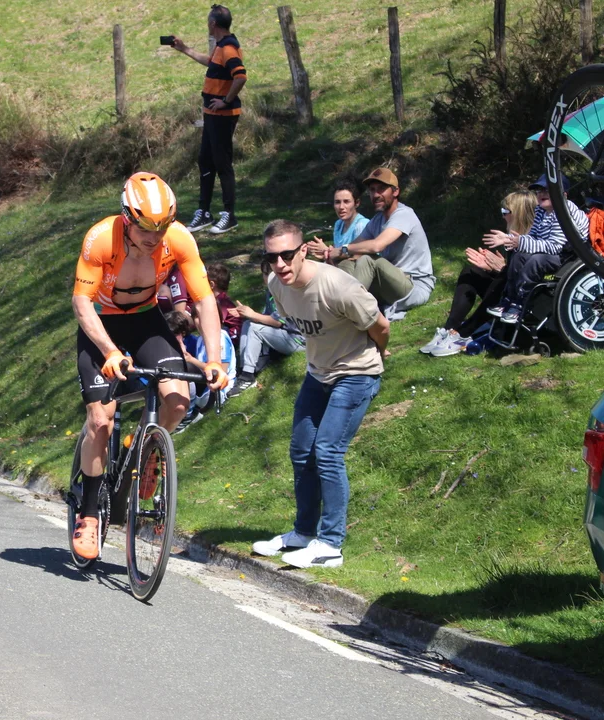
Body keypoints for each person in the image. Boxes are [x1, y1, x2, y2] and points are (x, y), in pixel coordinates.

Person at [72, 172, 229, 559]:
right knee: (101, 421)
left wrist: (214, 358)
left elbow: (204, 300)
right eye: (145, 228)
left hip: (145, 320)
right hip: (101, 321)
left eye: (162, 227)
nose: (154, 237)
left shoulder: (179, 238)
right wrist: (109, 351)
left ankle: (145, 450)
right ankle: (88, 514)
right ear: (127, 218)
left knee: (178, 400)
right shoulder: (101, 238)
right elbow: (81, 303)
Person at [252, 220, 388, 568]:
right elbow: (294, 324)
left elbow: (381, 326)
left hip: (356, 373)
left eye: (286, 255)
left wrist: (378, 354)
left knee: (327, 452)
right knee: (301, 451)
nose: (279, 264)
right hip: (318, 374)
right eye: (271, 257)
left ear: (302, 251)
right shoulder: (277, 285)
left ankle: (330, 545)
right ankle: (303, 533)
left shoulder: (338, 286)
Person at [419, 189, 536, 357]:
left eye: (506, 212)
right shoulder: (512, 238)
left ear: (519, 214)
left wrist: (502, 269)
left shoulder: (535, 239)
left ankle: (464, 333)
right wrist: (495, 268)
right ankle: (449, 329)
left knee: (502, 279)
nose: (503, 216)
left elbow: (527, 276)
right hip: (508, 292)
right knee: (471, 272)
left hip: (522, 301)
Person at [172, 4, 246, 236]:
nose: (207, 24)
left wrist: (225, 100)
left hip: (223, 115)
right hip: (212, 115)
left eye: (208, 21)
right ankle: (204, 212)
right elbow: (210, 62)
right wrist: (184, 49)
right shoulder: (220, 47)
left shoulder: (229, 48)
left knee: (222, 163)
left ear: (213, 24)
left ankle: (229, 215)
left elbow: (240, 76)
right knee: (205, 160)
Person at [327, 168, 434, 320]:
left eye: (381, 189)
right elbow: (355, 248)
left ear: (395, 191)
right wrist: (331, 255)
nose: (376, 195)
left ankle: (349, 313)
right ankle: (331, 308)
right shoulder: (377, 220)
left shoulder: (404, 214)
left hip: (415, 287)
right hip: (390, 284)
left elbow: (377, 246)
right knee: (346, 265)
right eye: (372, 190)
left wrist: (343, 249)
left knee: (368, 260)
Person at [485, 174, 589, 324]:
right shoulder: (541, 211)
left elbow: (555, 247)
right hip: (550, 251)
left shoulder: (564, 211)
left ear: (563, 195)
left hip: (568, 256)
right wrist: (509, 239)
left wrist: (520, 242)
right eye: (539, 190)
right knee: (519, 255)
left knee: (535, 260)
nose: (541, 194)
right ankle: (509, 298)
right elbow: (533, 237)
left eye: (547, 190)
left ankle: (522, 303)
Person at [229, 260, 304, 393]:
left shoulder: (284, 291)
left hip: (297, 341)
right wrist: (245, 314)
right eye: (265, 273)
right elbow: (263, 318)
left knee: (255, 328)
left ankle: (248, 377)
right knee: (248, 323)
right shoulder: (270, 291)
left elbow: (278, 322)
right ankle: (243, 370)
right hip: (283, 335)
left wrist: (252, 314)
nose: (266, 277)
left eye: (270, 273)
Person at [306, 178, 370, 259]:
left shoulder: (362, 225)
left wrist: (326, 250)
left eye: (346, 202)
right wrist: (322, 253)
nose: (341, 207)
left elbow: (358, 255)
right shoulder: (339, 224)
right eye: (337, 202)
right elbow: (337, 253)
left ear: (357, 203)